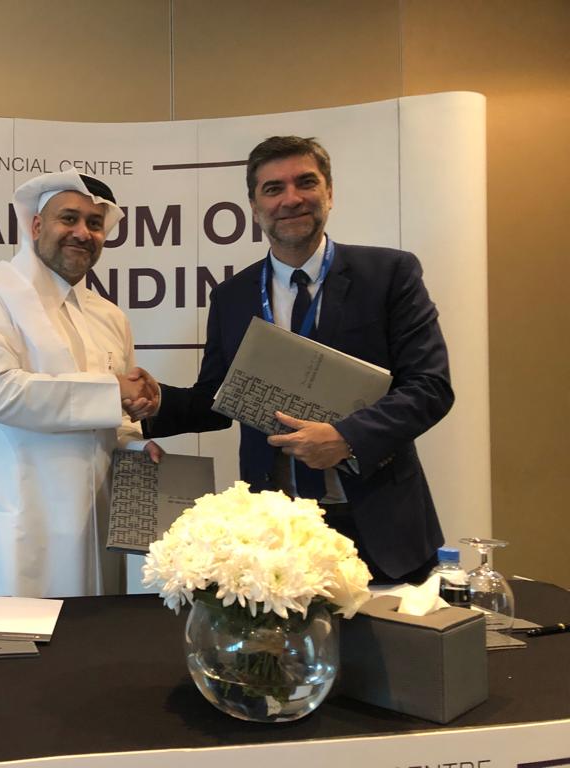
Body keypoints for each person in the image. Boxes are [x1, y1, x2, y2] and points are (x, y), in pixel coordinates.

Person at [141, 136, 454, 583]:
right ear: (254, 205)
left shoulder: (389, 276)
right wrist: (157, 404)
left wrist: (346, 437)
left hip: (378, 520)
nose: (291, 199)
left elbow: (429, 387)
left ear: (329, 192)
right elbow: (218, 398)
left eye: (305, 183)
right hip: (276, 530)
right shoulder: (232, 297)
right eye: (273, 189)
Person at [0, 171, 161, 598]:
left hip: (95, 524)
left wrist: (138, 441)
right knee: (19, 657)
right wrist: (113, 390)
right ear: (36, 226)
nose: (83, 233)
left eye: (95, 224)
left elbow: (113, 424)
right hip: (22, 522)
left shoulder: (109, 316)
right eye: (69, 218)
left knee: (92, 652)